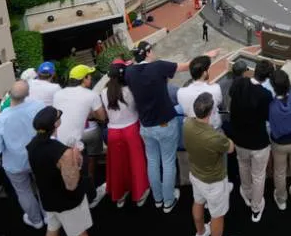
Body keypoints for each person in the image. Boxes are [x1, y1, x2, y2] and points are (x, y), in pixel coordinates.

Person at [127, 42, 211, 213]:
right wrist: (209, 55)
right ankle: (168, 200)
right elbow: (188, 66)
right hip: (165, 122)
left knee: (152, 161)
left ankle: (158, 198)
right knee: (168, 162)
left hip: (145, 126)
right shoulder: (158, 67)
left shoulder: (129, 72)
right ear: (148, 52)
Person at [27, 107, 110, 236]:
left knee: (52, 230)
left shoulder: (32, 144)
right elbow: (71, 184)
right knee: (79, 233)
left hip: (47, 197)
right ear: (56, 123)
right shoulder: (62, 152)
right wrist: (75, 158)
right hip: (67, 201)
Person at [184, 92, 239, 236]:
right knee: (217, 215)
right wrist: (226, 138)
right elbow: (230, 148)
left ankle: (200, 233)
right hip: (214, 181)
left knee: (198, 202)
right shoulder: (214, 137)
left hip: (196, 175)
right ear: (210, 113)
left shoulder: (187, 124)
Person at [0, 81, 46, 229]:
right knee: (43, 187)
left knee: (24, 192)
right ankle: (48, 217)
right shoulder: (39, 106)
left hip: (15, 164)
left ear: (9, 94)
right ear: (27, 94)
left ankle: (36, 221)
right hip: (39, 157)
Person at [53, 65, 107, 208]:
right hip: (75, 145)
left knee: (67, 175)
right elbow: (102, 117)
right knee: (81, 171)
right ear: (84, 79)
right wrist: (90, 113)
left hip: (58, 143)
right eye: (89, 76)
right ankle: (91, 197)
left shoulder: (58, 94)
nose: (91, 78)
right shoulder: (91, 95)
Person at [99, 62, 150, 209]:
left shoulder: (104, 92)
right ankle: (140, 194)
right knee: (137, 163)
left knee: (118, 166)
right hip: (132, 129)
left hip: (113, 132)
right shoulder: (130, 90)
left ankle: (120, 195)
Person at [229, 59, 274, 222]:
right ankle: (256, 207)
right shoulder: (266, 95)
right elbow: (268, 117)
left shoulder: (239, 83)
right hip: (259, 142)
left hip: (240, 139)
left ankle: (247, 194)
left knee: (244, 166)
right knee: (258, 175)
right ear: (267, 77)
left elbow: (232, 95)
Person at [269, 69, 291, 210]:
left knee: (280, 172)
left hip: (279, 144)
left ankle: (281, 200)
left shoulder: (272, 106)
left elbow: (272, 125)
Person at [177, 55, 223, 130]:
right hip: (213, 127)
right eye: (208, 69)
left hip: (194, 129)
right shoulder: (215, 88)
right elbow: (219, 102)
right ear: (204, 73)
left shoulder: (180, 92)